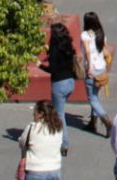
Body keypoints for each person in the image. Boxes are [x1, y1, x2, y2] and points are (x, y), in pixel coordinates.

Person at [38, 24, 76, 157]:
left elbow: (52, 69)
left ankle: (64, 143)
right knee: (60, 111)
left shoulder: (54, 49)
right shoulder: (68, 46)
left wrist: (40, 65)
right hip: (70, 82)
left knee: (59, 114)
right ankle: (56, 137)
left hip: (59, 84)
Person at [81, 11, 113, 138]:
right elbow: (105, 50)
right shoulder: (101, 34)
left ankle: (107, 122)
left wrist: (89, 67)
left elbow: (87, 51)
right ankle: (92, 123)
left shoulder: (85, 35)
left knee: (92, 98)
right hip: (102, 68)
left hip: (92, 70)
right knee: (96, 96)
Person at [18, 100, 64, 180]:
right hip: (55, 169)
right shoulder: (58, 128)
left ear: (41, 114)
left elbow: (22, 143)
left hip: (36, 170)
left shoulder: (32, 127)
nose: (33, 114)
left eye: (35, 111)